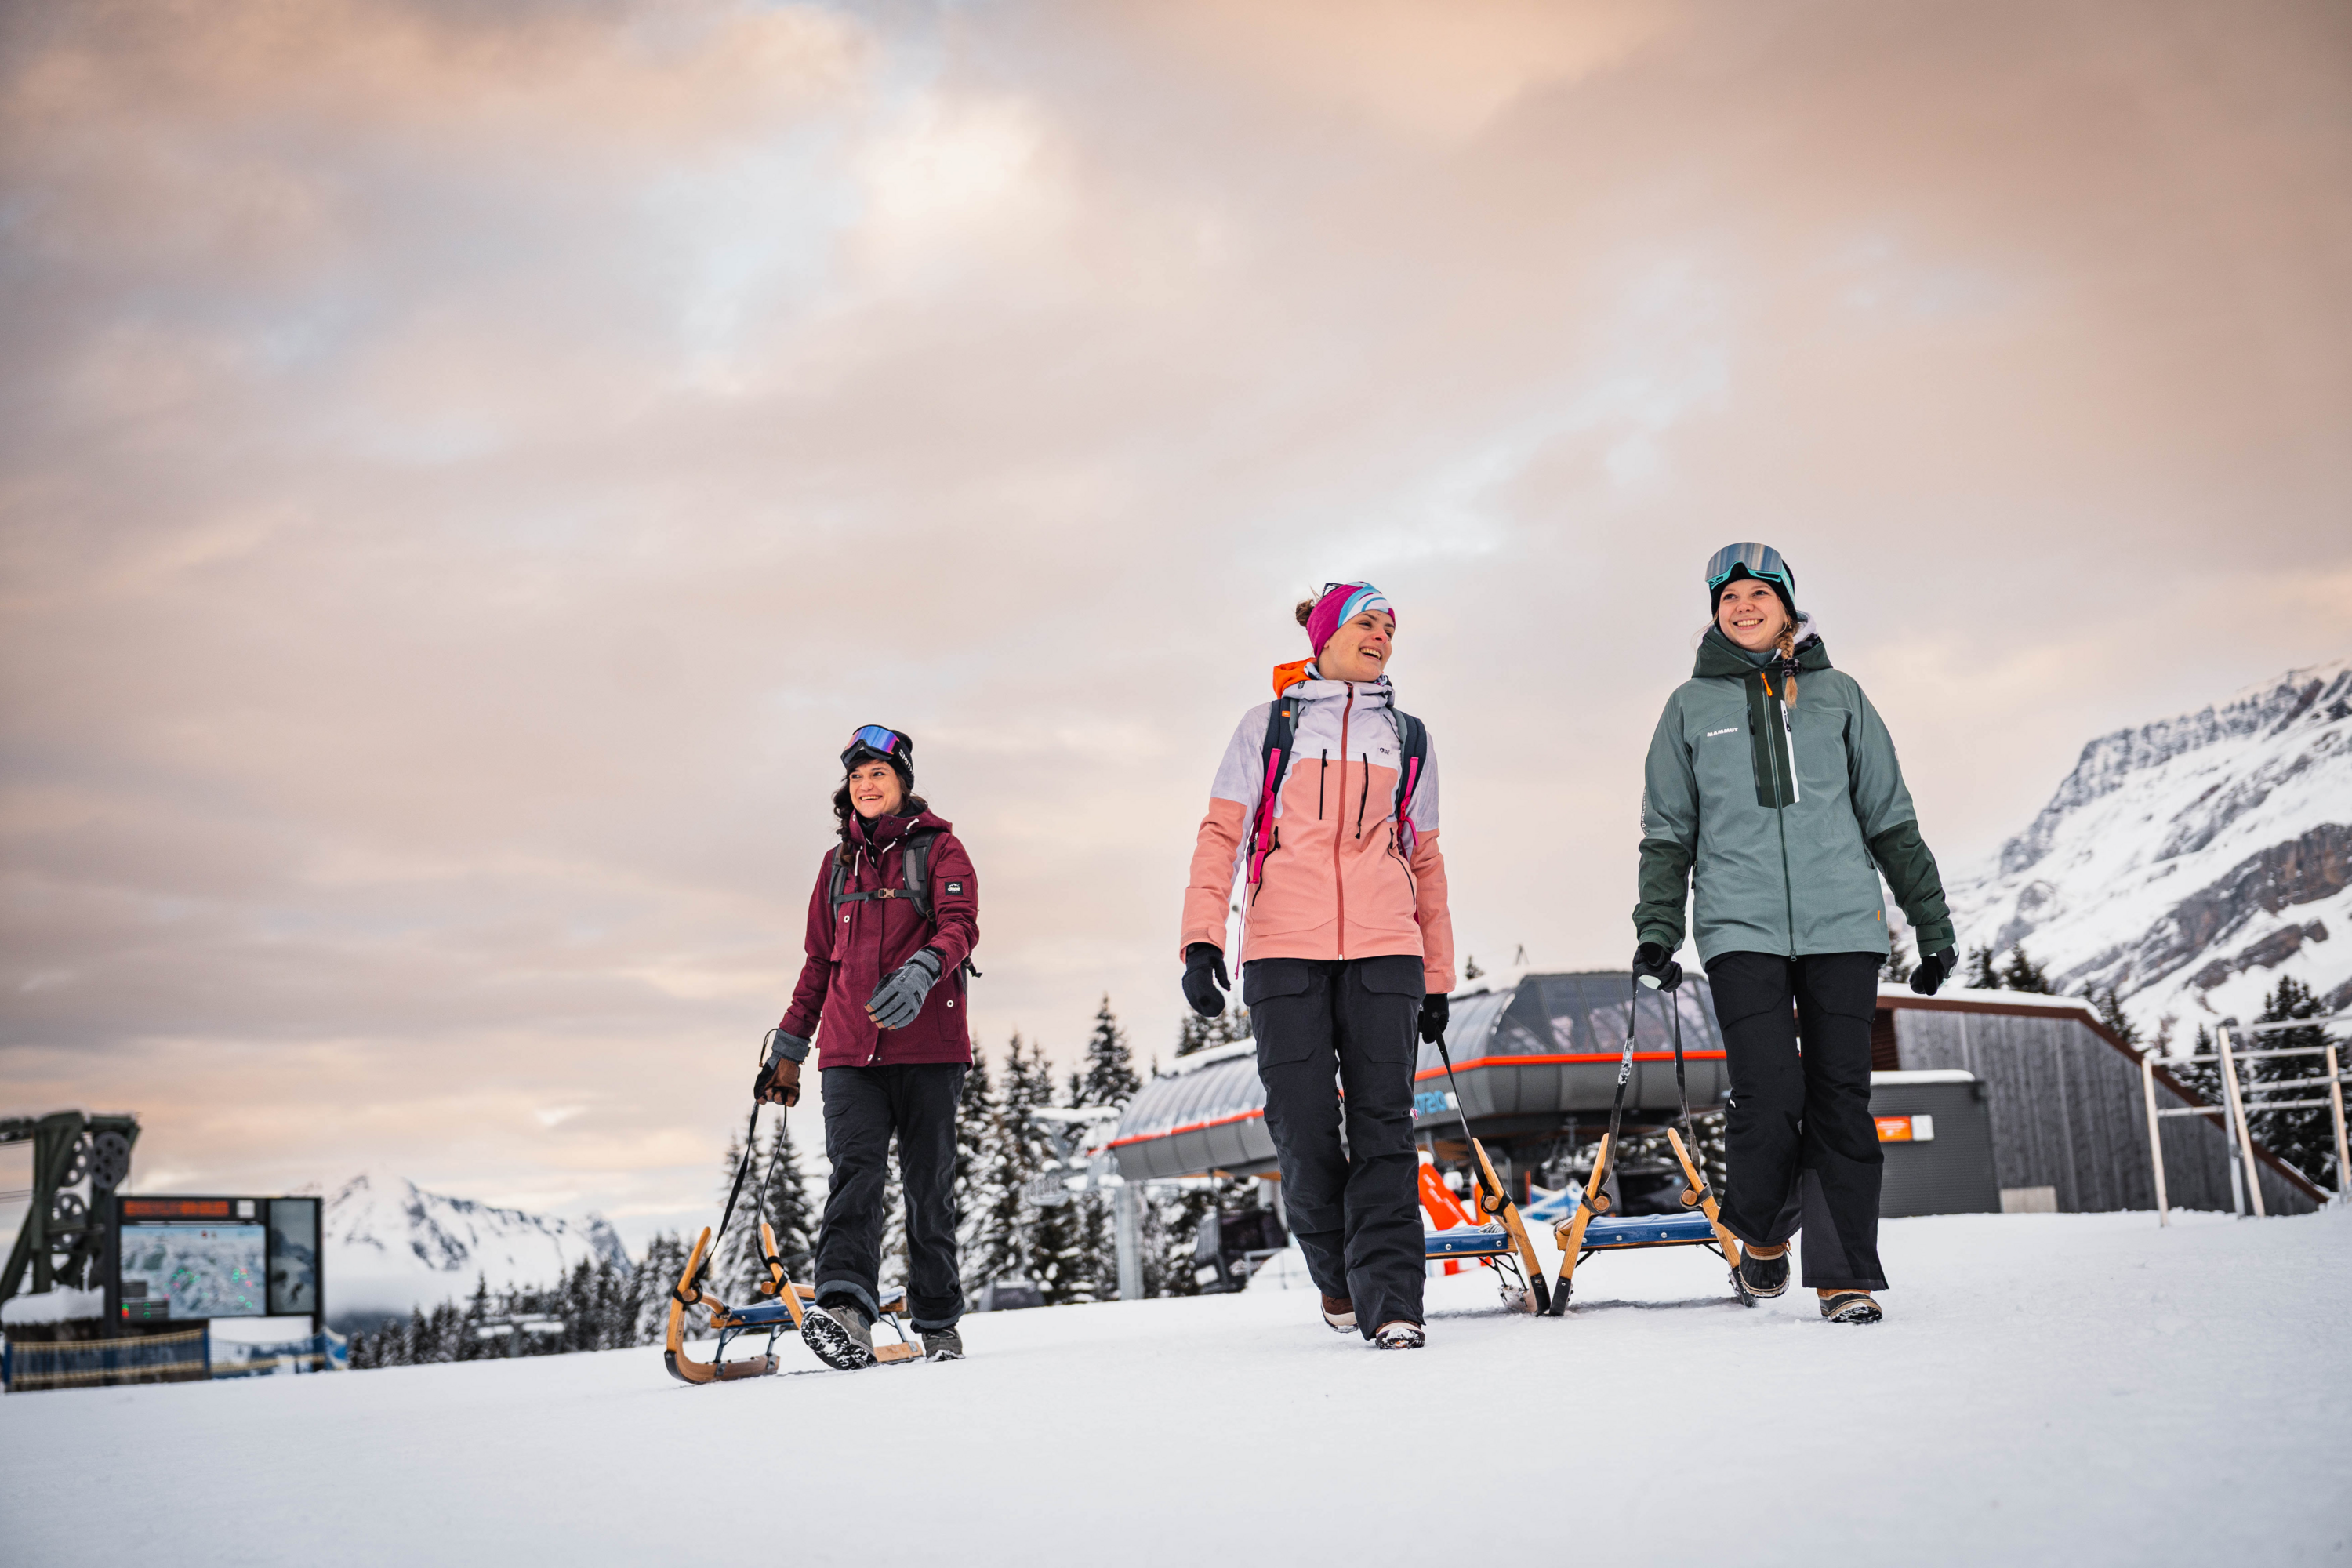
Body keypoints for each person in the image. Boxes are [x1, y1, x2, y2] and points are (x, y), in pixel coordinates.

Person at [1632, 543, 1957, 1324]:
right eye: (1728, 596)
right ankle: (1767, 1233)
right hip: (1738, 926)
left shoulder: (1840, 695)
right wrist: (1658, 928)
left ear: (1786, 605)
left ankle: (1844, 1275)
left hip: (1844, 923)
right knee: (1770, 1090)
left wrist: (1932, 924)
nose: (1743, 606)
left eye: (1757, 594)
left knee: (1841, 1097)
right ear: (1715, 611)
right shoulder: (1689, 707)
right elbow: (1667, 833)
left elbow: (1890, 817)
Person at [1179, 583, 1456, 1349]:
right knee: (1301, 1128)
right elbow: (1221, 834)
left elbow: (1424, 858)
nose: (1381, 636)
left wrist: (1436, 973)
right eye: (1366, 622)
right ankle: (1336, 1273)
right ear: (1327, 634)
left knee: (1385, 1128)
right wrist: (1202, 938)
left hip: (1385, 949)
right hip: (1282, 952)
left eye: (1390, 627)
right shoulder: (1267, 728)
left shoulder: (1409, 736)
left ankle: (1395, 1299)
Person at [756, 724, 978, 1366]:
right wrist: (791, 1048)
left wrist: (923, 968)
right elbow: (818, 963)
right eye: (856, 777)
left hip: (930, 1049)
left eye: (878, 774)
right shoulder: (836, 867)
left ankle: (938, 1320)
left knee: (928, 1186)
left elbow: (962, 924)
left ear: (903, 782)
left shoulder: (941, 849)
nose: (866, 785)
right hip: (851, 1053)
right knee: (855, 1175)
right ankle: (847, 1312)